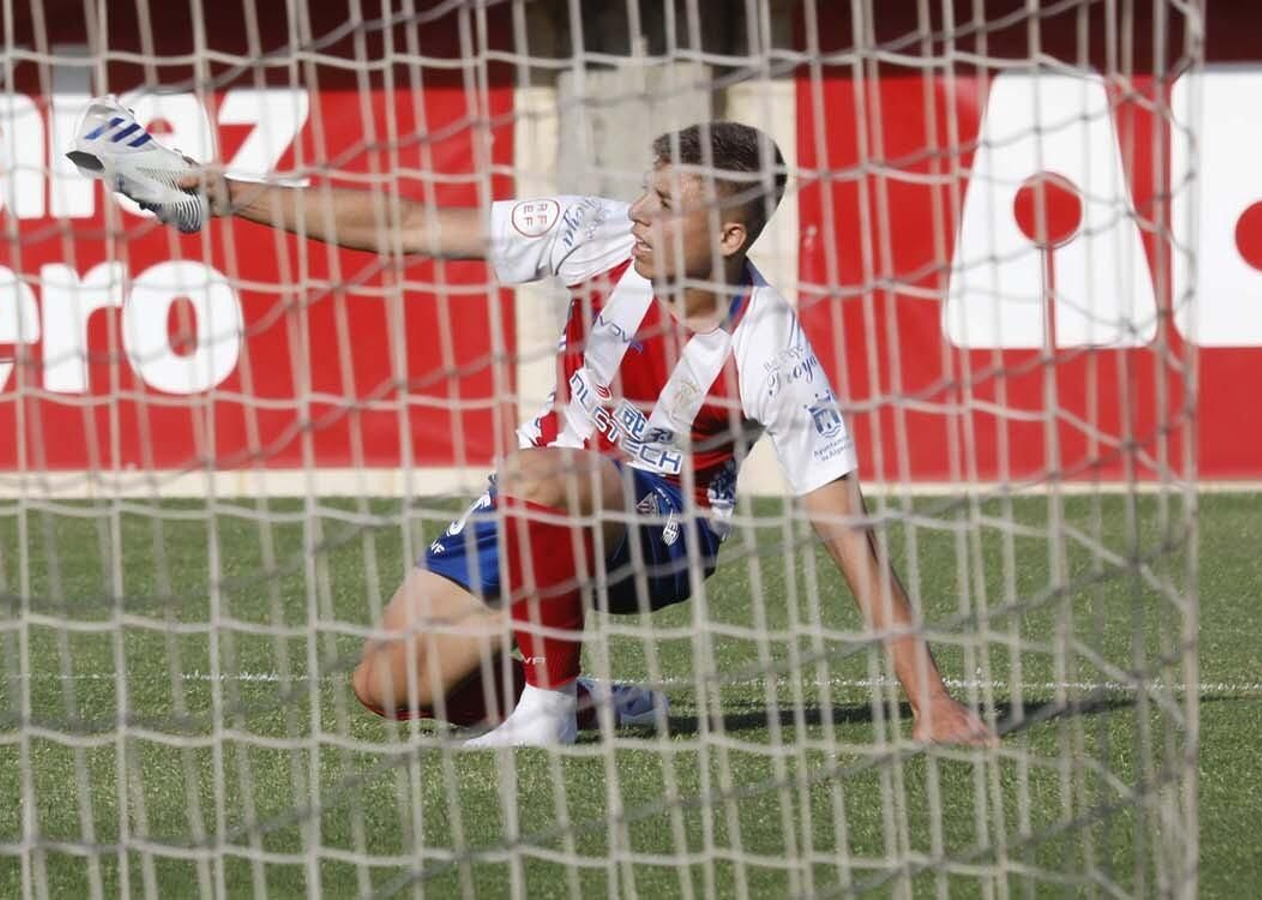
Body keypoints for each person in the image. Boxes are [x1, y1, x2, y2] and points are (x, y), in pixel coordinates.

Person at [72, 106, 996, 748]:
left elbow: (847, 527)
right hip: (535, 498)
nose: (637, 209)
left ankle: (545, 709)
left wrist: (934, 703)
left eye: (666, 204)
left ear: (728, 238)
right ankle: (587, 698)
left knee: (538, 471)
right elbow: (404, 225)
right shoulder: (591, 235)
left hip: (662, 534)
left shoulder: (772, 350)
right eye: (646, 188)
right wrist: (226, 192)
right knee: (388, 688)